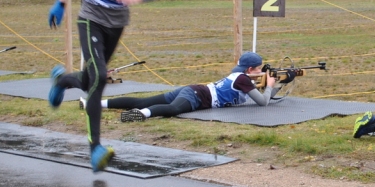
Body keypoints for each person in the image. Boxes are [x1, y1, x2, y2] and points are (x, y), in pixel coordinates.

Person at [47, 0, 167, 173]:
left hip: (117, 23)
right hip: (89, 18)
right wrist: (62, 0)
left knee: (91, 78)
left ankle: (62, 80)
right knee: (100, 76)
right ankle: (95, 148)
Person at [82, 51, 280, 121]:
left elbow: (262, 95)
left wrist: (278, 85)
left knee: (144, 99)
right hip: (198, 96)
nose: (260, 73)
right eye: (259, 70)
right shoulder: (244, 80)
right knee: (174, 109)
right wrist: (269, 85)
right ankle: (143, 114)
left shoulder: (241, 77)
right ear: (252, 69)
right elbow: (262, 102)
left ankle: (95, 104)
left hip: (195, 90)